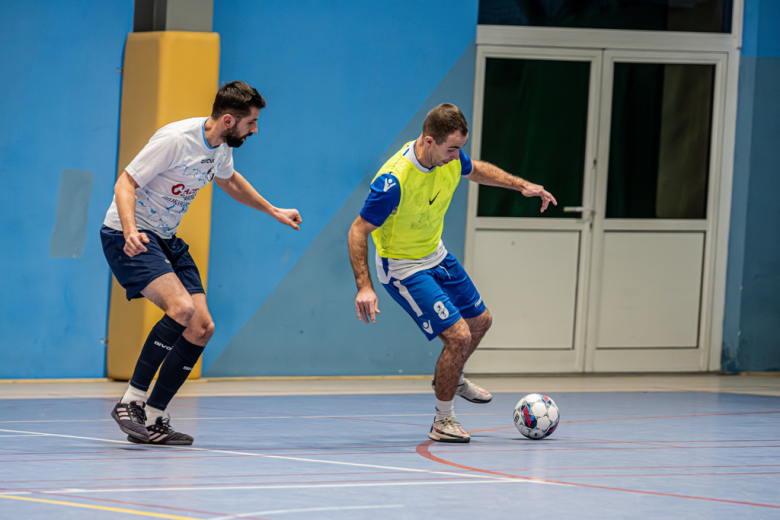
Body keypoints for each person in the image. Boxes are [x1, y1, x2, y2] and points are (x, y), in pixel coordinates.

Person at [101, 81, 302, 445]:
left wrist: (273, 210)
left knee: (202, 327)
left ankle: (154, 416)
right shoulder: (176, 140)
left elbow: (230, 181)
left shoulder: (221, 147)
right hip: (129, 233)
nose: (255, 129)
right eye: (251, 122)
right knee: (181, 308)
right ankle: (131, 401)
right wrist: (130, 231)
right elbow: (124, 184)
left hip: (167, 238)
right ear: (228, 120)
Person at [347, 103, 556, 443]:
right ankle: (442, 421)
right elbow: (358, 230)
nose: (457, 156)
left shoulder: (450, 159)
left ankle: (452, 377)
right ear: (429, 141)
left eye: (460, 148)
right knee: (459, 337)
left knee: (481, 322)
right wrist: (364, 287)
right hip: (403, 268)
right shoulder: (393, 181)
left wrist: (521, 185)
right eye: (452, 149)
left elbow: (477, 170)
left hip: (436, 255)